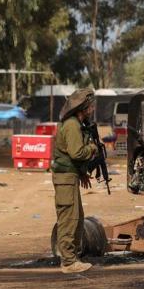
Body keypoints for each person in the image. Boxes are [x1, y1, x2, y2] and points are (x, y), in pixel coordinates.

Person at [52, 88, 99, 274]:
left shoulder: (77, 124)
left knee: (77, 218)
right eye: (91, 106)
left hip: (70, 176)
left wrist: (82, 173)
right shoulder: (72, 125)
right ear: (83, 107)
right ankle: (69, 262)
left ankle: (72, 258)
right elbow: (76, 152)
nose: (93, 109)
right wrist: (92, 149)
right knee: (68, 219)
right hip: (65, 178)